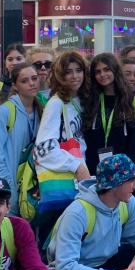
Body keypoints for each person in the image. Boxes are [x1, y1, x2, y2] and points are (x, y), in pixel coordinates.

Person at [33, 51, 90, 243]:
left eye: (78, 70)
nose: (74, 76)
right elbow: (44, 148)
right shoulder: (56, 103)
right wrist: (77, 166)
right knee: (56, 243)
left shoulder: (80, 100)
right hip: (64, 184)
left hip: (79, 183)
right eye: (68, 72)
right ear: (59, 75)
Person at [0, 63, 42, 217]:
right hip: (10, 194)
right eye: (24, 81)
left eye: (34, 78)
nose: (31, 83)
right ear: (15, 86)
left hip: (32, 191)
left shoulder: (41, 109)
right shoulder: (5, 112)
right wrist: (8, 190)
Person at [83, 53, 135, 174]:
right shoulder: (90, 102)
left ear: (115, 70)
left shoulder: (134, 103)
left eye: (107, 69)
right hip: (94, 172)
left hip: (124, 174)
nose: (102, 74)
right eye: (98, 72)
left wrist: (133, 175)